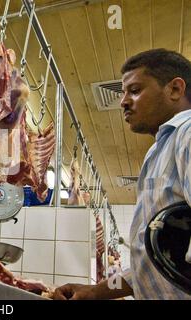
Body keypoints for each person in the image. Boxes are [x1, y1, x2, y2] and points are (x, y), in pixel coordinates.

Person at [53, 48, 191, 300]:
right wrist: (94, 292)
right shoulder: (159, 151)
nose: (123, 101)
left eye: (135, 91)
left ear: (175, 89)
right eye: (123, 92)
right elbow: (147, 264)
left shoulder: (187, 133)